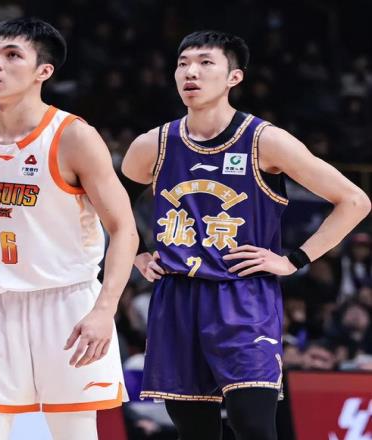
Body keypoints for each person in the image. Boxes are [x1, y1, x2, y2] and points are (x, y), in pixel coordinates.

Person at [122, 30, 371, 440]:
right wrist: (138, 251)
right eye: (183, 64)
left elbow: (355, 200)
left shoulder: (264, 140)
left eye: (205, 63)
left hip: (243, 295)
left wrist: (294, 259)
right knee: (194, 432)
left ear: (233, 77)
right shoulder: (153, 144)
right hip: (177, 296)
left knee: (252, 424)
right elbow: (111, 204)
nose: (191, 72)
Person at [0, 17, 138, 440]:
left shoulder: (74, 137)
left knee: (73, 433)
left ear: (43, 71)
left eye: (12, 56)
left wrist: (105, 309)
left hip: (66, 304)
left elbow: (124, 229)